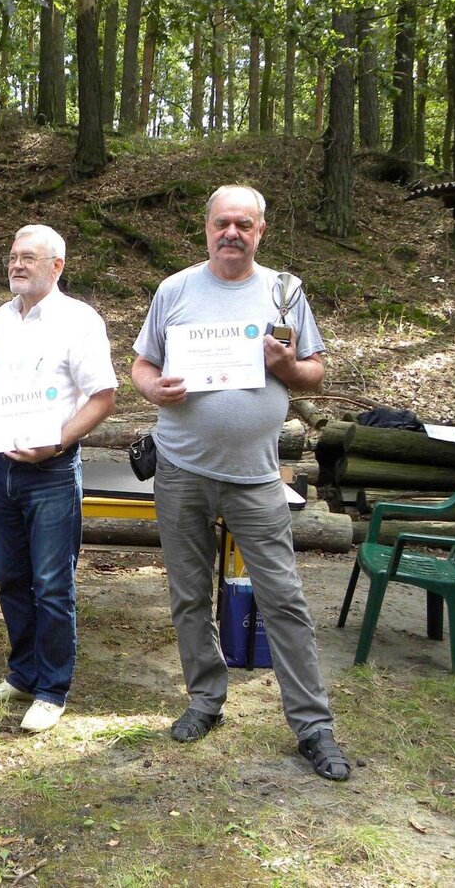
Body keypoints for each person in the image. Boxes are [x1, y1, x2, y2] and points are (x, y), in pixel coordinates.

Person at [130, 184, 350, 781]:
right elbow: (143, 363)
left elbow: (315, 374)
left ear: (260, 231)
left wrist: (288, 366)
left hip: (255, 476)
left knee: (283, 598)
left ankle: (313, 726)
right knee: (189, 593)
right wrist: (151, 387)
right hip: (181, 469)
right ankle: (205, 699)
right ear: (207, 228)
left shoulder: (286, 291)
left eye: (244, 224)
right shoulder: (175, 290)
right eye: (223, 223)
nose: (232, 233)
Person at [0, 225, 116, 732]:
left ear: (57, 266)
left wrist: (58, 442)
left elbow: (103, 396)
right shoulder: (0, 318)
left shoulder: (79, 320)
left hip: (51, 472)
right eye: (13, 256)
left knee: (52, 586)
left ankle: (51, 690)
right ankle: (22, 675)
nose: (16, 265)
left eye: (29, 258)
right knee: (11, 579)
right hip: (2, 471)